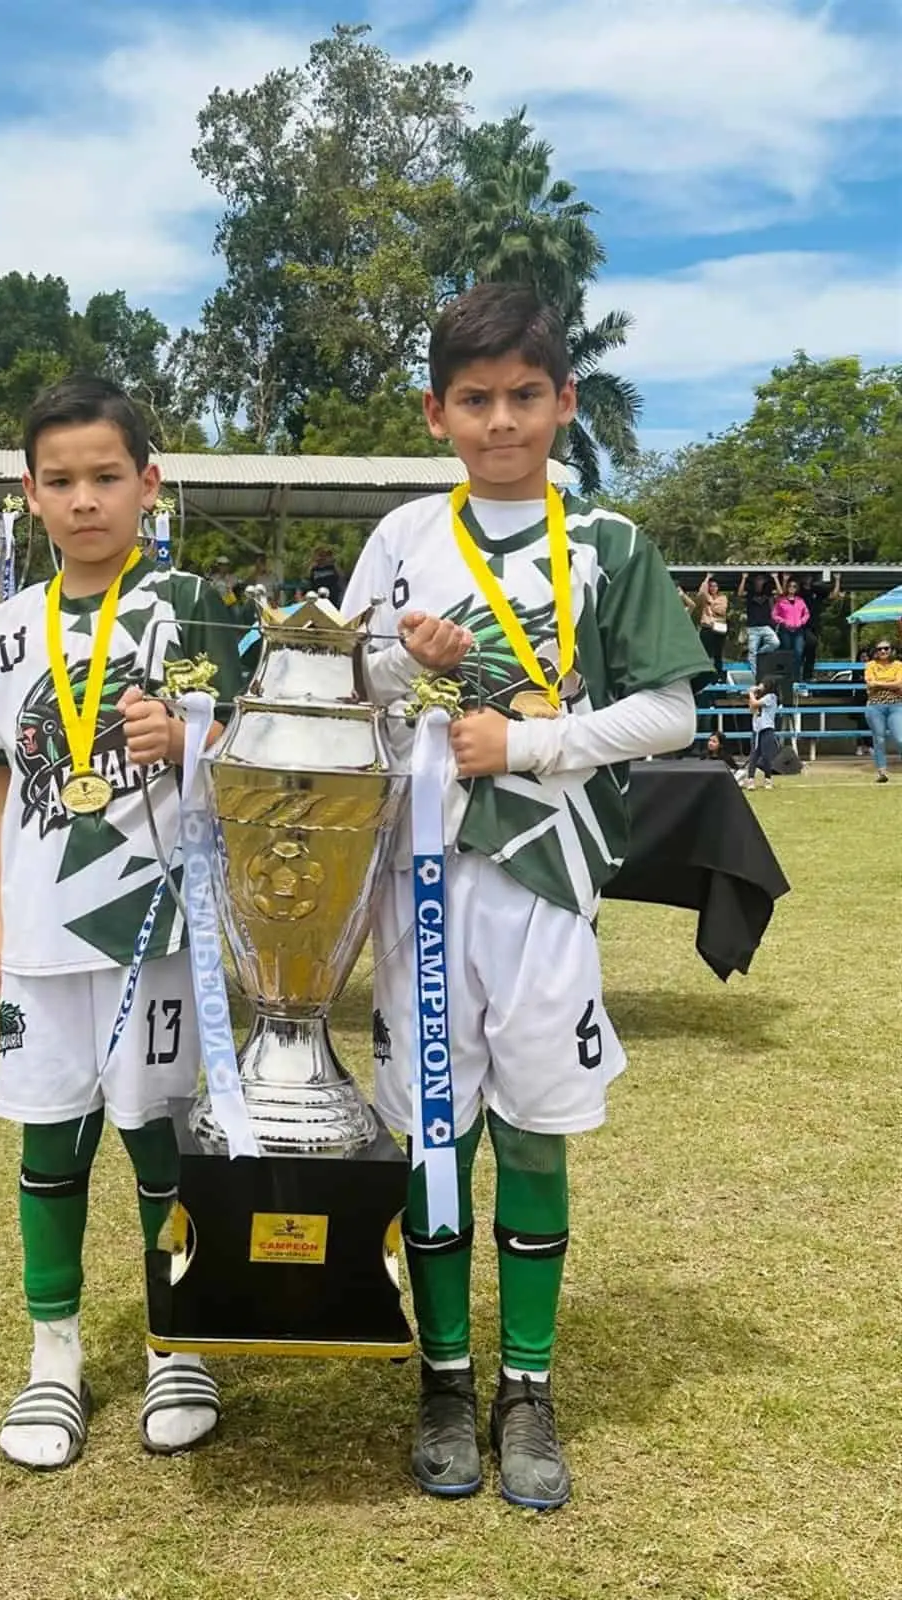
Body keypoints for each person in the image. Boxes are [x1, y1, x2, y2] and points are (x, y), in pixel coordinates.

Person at [341, 284, 708, 1509]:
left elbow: (671, 709)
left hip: (549, 877)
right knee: (432, 1126)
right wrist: (406, 660)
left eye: (525, 397)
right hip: (423, 876)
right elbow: (338, 684)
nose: (502, 421)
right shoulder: (401, 534)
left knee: (538, 1128)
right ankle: (445, 1378)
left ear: (562, 402)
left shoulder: (606, 537)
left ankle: (528, 1389)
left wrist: (535, 745)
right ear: (437, 411)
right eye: (475, 399)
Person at [0, 376, 244, 1473]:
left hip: (157, 925)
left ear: (149, 482)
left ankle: (180, 1339)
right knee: (48, 1137)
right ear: (30, 495)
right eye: (60, 480)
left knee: (156, 1135)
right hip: (40, 929)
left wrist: (188, 740)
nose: (85, 500)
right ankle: (55, 1353)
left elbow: (258, 757)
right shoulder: (2, 626)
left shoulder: (196, 609)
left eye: (106, 476)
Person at [864, 638, 902, 784]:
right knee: (878, 739)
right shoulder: (870, 665)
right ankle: (882, 772)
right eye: (880, 649)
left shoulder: (898, 665)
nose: (883, 651)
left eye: (886, 648)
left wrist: (879, 683)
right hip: (875, 706)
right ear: (876, 651)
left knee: (900, 739)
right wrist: (891, 684)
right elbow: (870, 684)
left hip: (896, 705)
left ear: (891, 650)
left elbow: (899, 683)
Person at [798, 574, 841, 682]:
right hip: (800, 626)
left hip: (814, 626)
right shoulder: (799, 592)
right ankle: (798, 675)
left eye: (809, 577)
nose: (808, 579)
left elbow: (833, 596)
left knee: (810, 652)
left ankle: (807, 677)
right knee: (805, 647)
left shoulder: (817, 591)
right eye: (806, 577)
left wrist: (837, 579)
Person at [737, 573, 781, 675]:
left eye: (762, 579)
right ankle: (757, 676)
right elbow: (739, 594)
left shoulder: (768, 592)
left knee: (775, 643)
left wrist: (775, 578)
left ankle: (759, 654)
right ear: (755, 581)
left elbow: (780, 593)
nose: (759, 581)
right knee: (752, 652)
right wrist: (744, 578)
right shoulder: (750, 592)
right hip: (753, 627)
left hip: (766, 626)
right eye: (758, 579)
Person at [742, 678, 779, 791]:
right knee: (754, 755)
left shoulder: (771, 697)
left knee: (766, 756)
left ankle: (768, 779)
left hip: (767, 729)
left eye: (762, 684)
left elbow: (755, 703)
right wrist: (752, 696)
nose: (759, 685)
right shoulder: (760, 697)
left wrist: (751, 693)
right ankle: (751, 779)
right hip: (756, 729)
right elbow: (752, 709)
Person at [771, 578, 809, 677]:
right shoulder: (781, 601)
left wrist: (802, 621)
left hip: (798, 630)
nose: (792, 588)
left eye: (794, 586)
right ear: (787, 588)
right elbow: (774, 614)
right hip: (785, 630)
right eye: (790, 586)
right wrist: (783, 621)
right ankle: (786, 675)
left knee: (798, 652)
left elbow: (806, 614)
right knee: (786, 651)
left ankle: (796, 676)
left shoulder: (800, 601)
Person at [694, 575, 730, 681]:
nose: (713, 588)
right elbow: (701, 593)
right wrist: (706, 578)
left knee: (718, 653)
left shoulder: (722, 598)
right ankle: (704, 674)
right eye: (711, 586)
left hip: (719, 628)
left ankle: (718, 675)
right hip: (707, 627)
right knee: (705, 653)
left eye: (715, 586)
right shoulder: (705, 597)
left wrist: (711, 603)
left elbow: (721, 611)